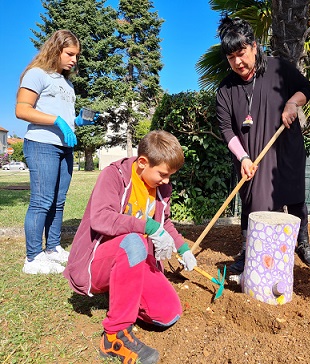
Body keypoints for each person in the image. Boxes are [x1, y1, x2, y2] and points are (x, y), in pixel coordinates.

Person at [63, 130, 197, 364]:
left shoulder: (162, 188)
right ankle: (115, 336)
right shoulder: (113, 175)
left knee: (168, 314)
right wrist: (148, 226)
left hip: (134, 261)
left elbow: (164, 223)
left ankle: (124, 292)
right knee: (134, 241)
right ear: (143, 163)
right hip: (99, 262)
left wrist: (183, 248)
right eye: (163, 174)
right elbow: (101, 219)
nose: (166, 181)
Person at [215, 17, 310, 273]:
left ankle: (301, 241)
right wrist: (243, 158)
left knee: (294, 196)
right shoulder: (226, 89)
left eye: (241, 54)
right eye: (231, 58)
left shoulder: (278, 68)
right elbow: (227, 129)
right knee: (252, 201)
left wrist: (292, 103)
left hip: (285, 147)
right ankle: (249, 245)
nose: (238, 62)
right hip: (252, 157)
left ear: (254, 46)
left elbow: (306, 88)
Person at [15, 30, 94, 274]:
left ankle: (52, 248)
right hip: (41, 144)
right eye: (70, 54)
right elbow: (22, 109)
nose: (74, 60)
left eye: (76, 56)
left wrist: (76, 122)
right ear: (55, 49)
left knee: (58, 202)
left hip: (63, 148)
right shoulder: (37, 74)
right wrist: (57, 120)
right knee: (42, 201)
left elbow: (65, 117)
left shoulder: (67, 84)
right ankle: (33, 258)